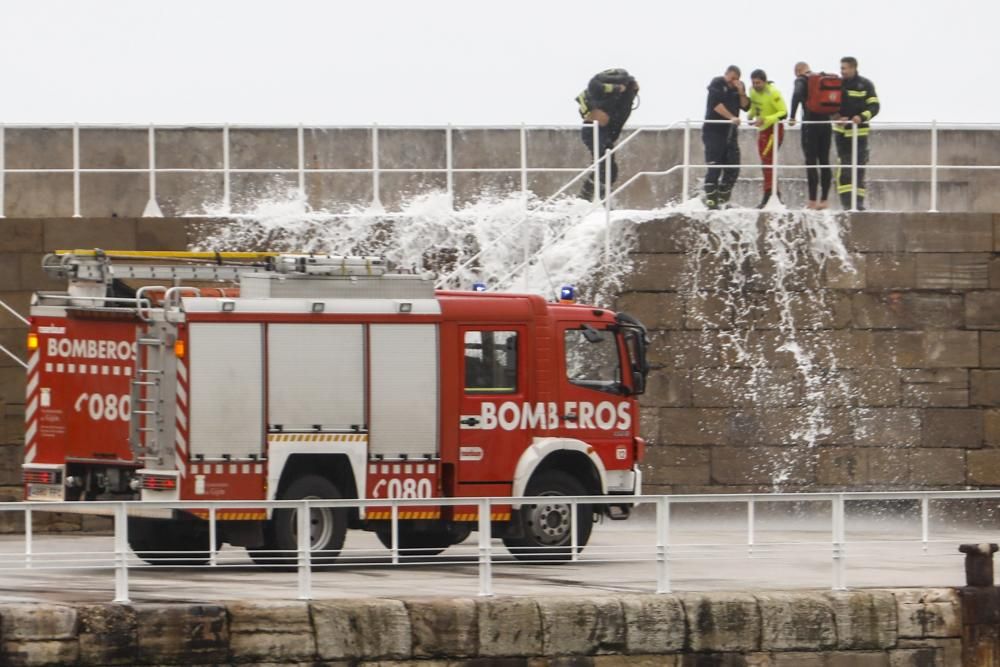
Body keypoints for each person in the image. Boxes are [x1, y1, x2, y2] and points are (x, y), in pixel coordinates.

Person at [575, 68, 639, 201]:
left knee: (611, 170)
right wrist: (617, 88)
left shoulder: (623, 98)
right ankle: (597, 199)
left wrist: (630, 88)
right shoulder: (600, 90)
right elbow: (594, 86)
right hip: (593, 130)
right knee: (603, 164)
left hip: (605, 133)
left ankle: (585, 198)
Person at [834, 57, 880, 210]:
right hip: (842, 134)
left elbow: (874, 106)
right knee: (845, 168)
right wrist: (836, 117)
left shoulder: (865, 85)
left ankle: (858, 203)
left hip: (860, 133)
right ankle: (847, 204)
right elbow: (829, 107)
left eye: (845, 68)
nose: (842, 71)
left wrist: (861, 117)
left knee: (859, 168)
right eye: (841, 68)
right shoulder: (837, 85)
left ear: (854, 68)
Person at [703, 66, 750, 210]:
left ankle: (723, 196)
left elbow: (746, 107)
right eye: (732, 77)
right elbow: (716, 105)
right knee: (715, 165)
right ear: (727, 74)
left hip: (730, 133)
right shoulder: (717, 83)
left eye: (736, 79)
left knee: (733, 166)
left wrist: (741, 92)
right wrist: (731, 117)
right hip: (714, 131)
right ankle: (711, 199)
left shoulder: (737, 89)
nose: (733, 81)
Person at [789, 61, 834, 209]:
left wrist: (792, 116)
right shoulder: (822, 79)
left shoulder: (802, 80)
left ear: (797, 71)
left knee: (811, 162)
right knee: (825, 161)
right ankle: (825, 200)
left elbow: (796, 95)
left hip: (810, 125)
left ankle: (812, 201)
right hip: (826, 125)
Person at [748, 69, 788, 208]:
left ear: (764, 81)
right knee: (765, 162)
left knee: (768, 160)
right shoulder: (752, 91)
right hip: (762, 130)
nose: (755, 85)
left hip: (774, 129)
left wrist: (766, 119)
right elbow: (754, 107)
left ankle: (771, 194)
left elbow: (784, 113)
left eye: (758, 82)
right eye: (753, 82)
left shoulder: (773, 93)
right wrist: (750, 116)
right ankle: (772, 192)